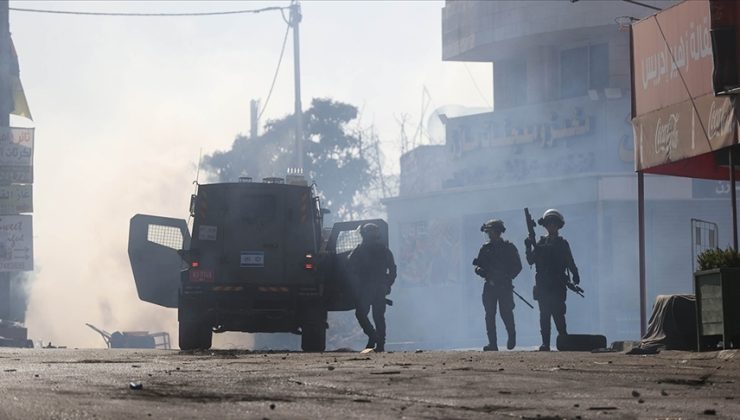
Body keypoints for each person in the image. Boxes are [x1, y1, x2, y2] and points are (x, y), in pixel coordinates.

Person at [525, 209, 580, 351]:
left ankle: (563, 340)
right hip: (543, 284)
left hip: (557, 284)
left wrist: (575, 275)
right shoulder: (540, 242)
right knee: (544, 315)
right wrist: (528, 246)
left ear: (558, 226)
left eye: (554, 224)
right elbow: (531, 260)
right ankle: (546, 343)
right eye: (549, 224)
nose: (551, 227)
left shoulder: (562, 243)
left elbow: (570, 260)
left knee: (558, 314)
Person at [473, 219, 522, 351]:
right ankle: (492, 344)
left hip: (504, 286)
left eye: (491, 232)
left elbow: (518, 266)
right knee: (490, 314)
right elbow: (478, 266)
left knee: (506, 312)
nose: (489, 235)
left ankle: (512, 335)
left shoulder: (509, 247)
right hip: (490, 286)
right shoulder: (485, 248)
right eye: (488, 232)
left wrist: (506, 278)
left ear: (498, 232)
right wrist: (482, 272)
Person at [349, 222, 397, 352]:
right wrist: (387, 284)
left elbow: (350, 269)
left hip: (366, 289)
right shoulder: (385, 251)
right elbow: (393, 270)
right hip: (379, 288)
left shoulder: (359, 251)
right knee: (379, 317)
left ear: (363, 235)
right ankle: (379, 343)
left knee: (361, 314)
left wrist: (356, 286)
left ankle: (373, 336)